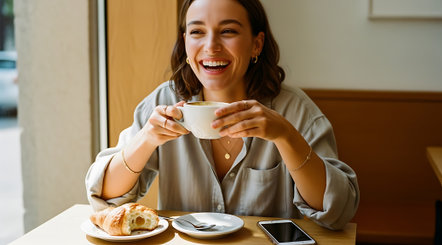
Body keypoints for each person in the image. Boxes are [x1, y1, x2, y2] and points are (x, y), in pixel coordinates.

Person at [86, 0, 359, 230]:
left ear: (256, 44)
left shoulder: (295, 111)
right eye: (197, 32)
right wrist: (145, 140)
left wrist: (285, 136)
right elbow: (104, 196)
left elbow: (338, 210)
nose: (211, 46)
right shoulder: (164, 102)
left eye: (227, 31)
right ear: (185, 43)